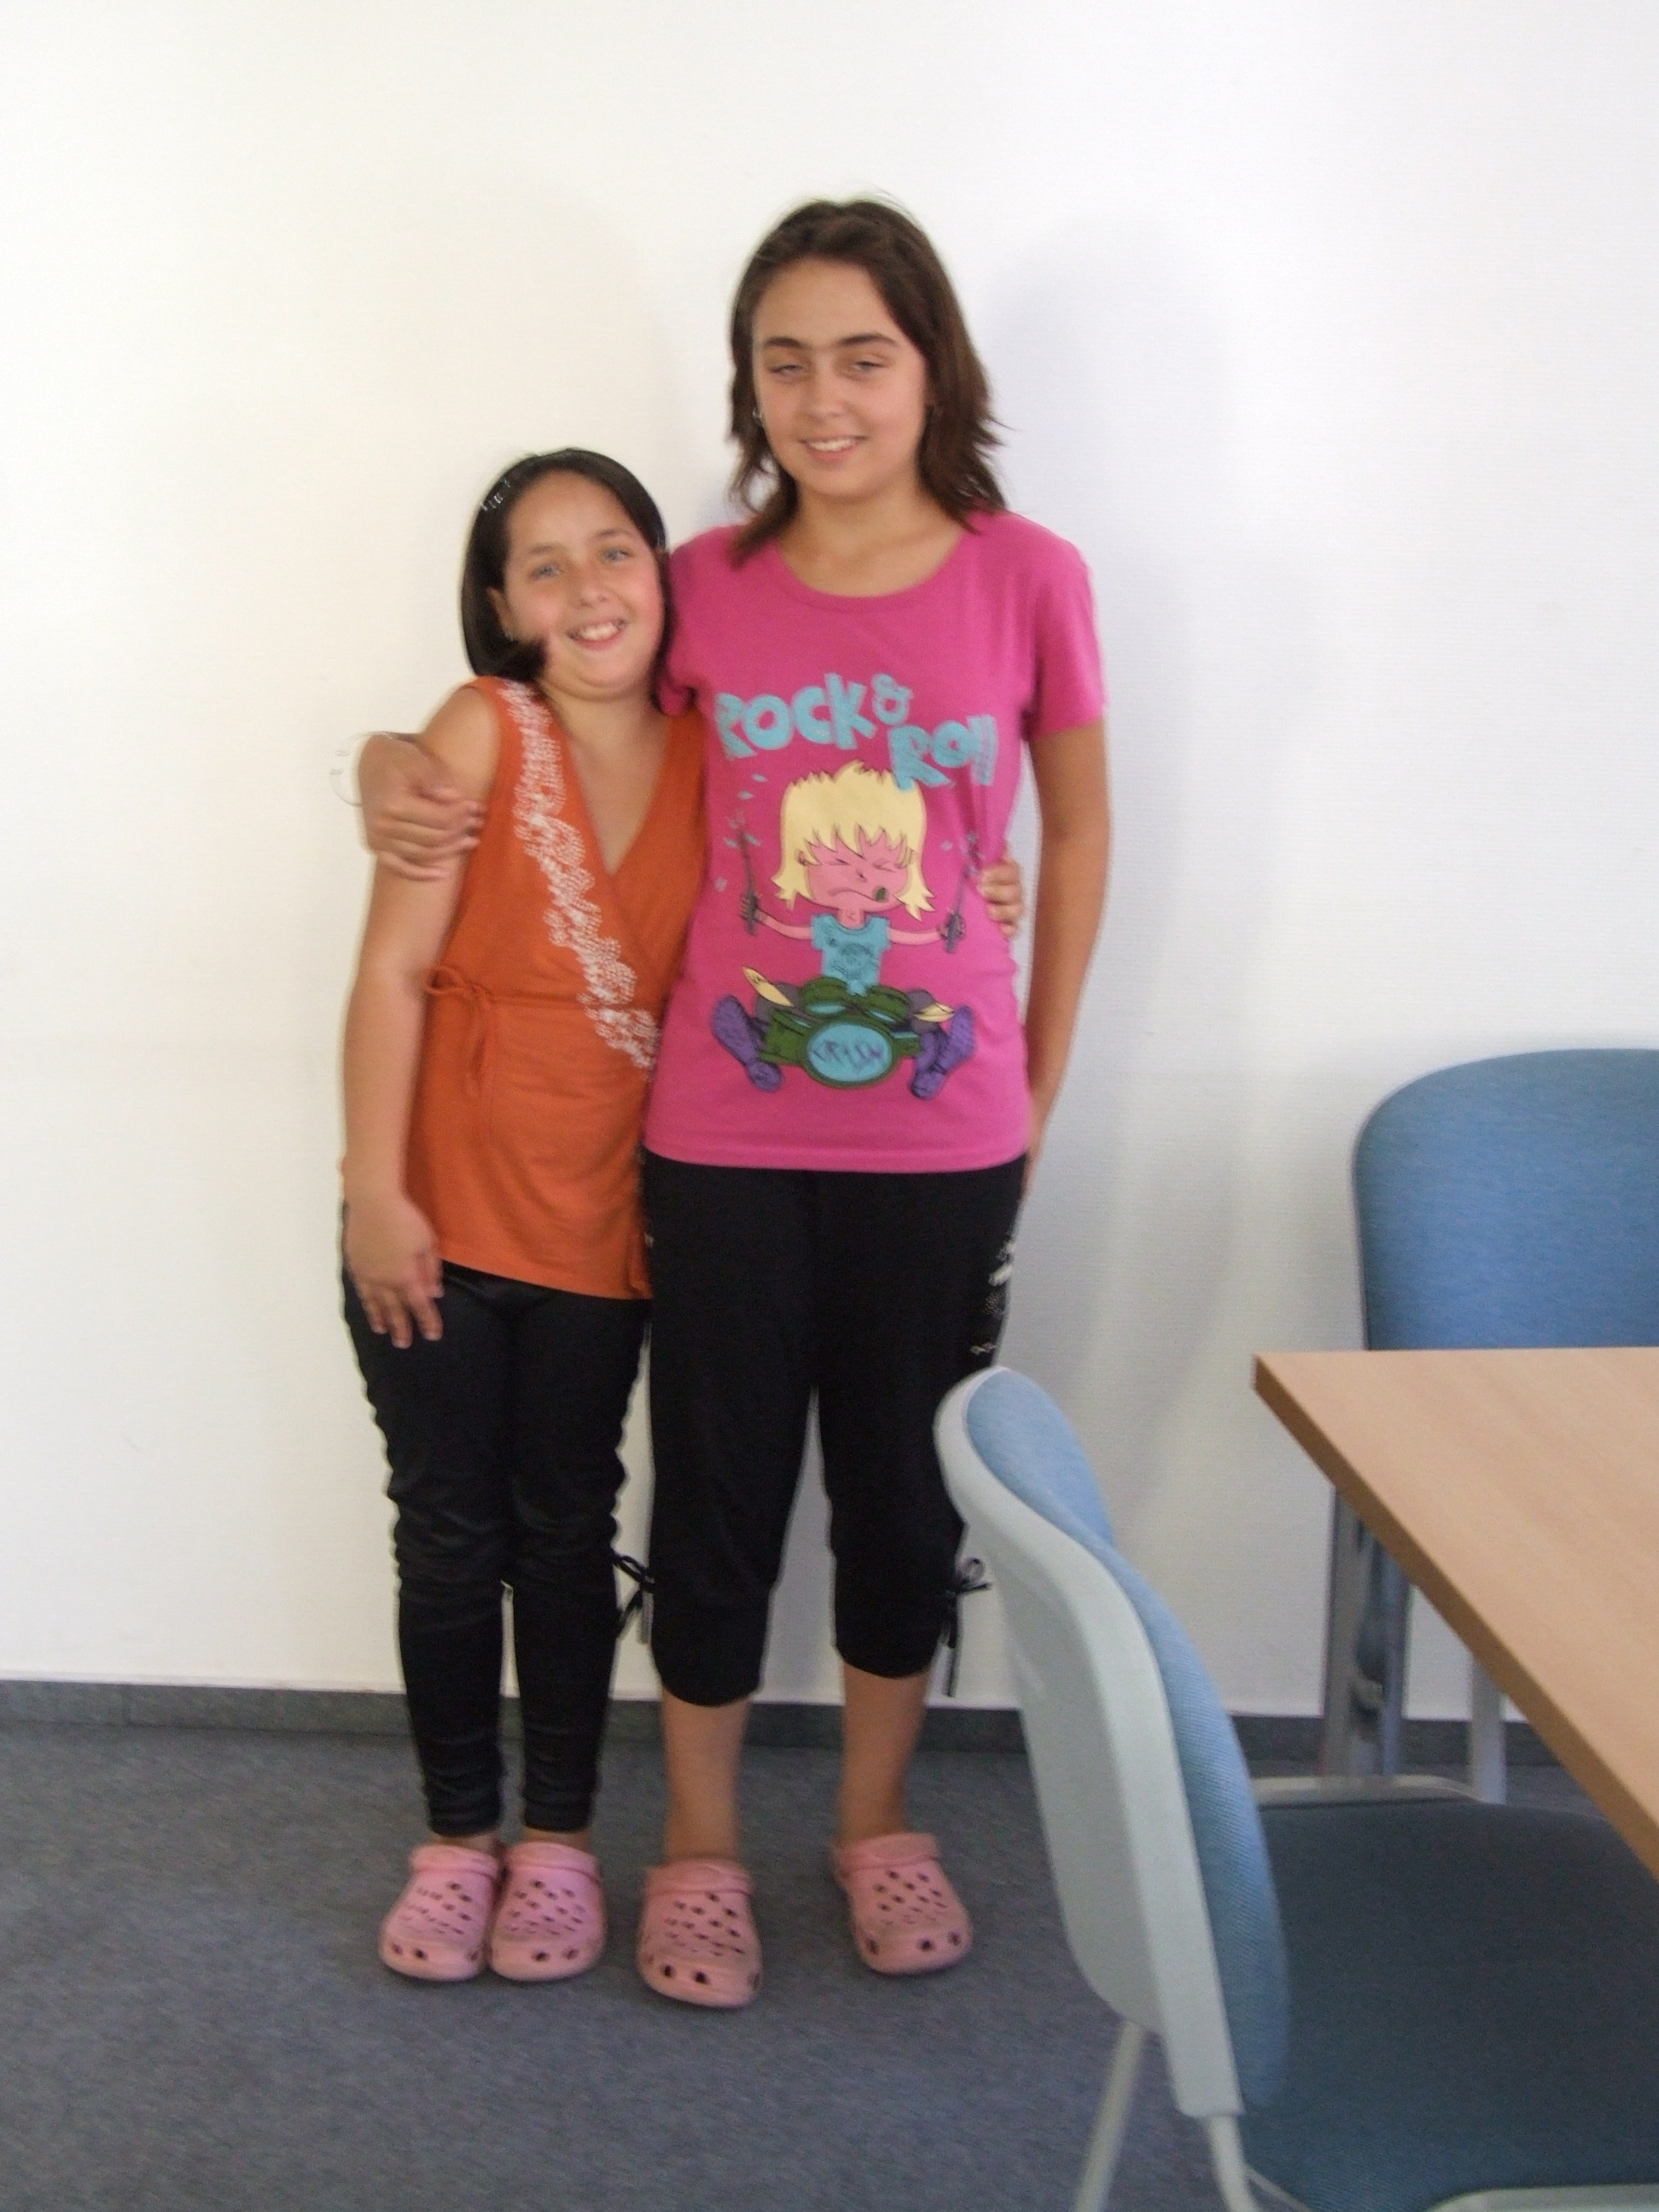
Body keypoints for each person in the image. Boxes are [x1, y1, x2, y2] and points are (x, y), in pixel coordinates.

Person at [360, 198, 1109, 2011]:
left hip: (941, 1136)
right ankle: (697, 1848)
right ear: (748, 388)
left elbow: (1077, 832)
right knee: (714, 1497)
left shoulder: (1031, 575)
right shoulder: (704, 582)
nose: (824, 398)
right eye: (786, 362)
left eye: (863, 356)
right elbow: (559, 697)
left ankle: (874, 1822)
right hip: (719, 1137)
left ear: (932, 369)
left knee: (901, 1505)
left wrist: (1035, 1078)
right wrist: (386, 756)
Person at [340, 449, 706, 1982]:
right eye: (543, 566)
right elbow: (389, 972)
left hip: (605, 1230)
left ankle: (558, 1845)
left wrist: (981, 891)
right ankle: (455, 1844)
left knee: (567, 1534)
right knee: (446, 1536)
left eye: (613, 549)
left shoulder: (724, 746)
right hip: (434, 1219)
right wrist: (374, 1193)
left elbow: (850, 869)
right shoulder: (484, 727)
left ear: (664, 571)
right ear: (502, 607)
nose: (586, 589)